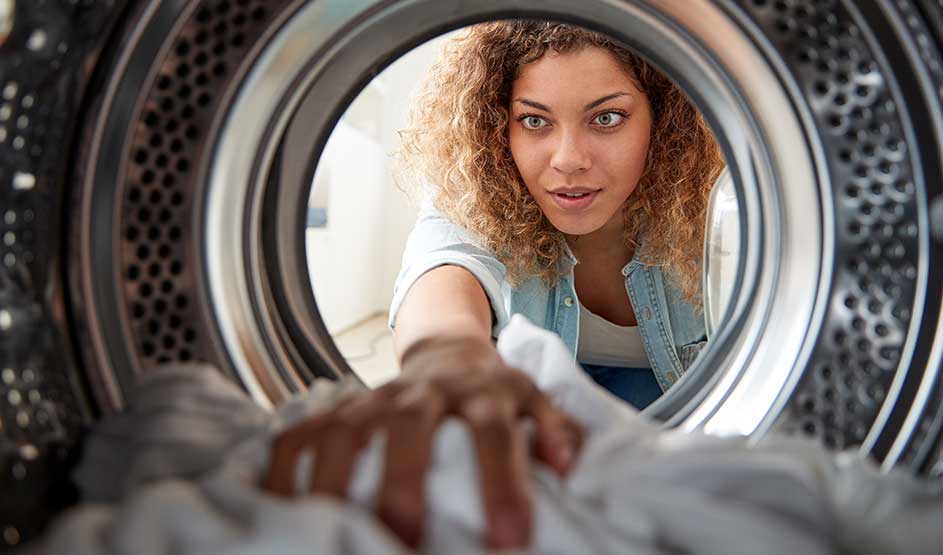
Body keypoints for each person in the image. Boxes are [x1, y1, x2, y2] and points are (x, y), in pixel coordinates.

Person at [264, 20, 724, 549]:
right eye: (534, 120)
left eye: (608, 117)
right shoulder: (482, 198)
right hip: (532, 400)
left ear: (661, 121)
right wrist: (447, 354)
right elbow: (442, 267)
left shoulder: (716, 211)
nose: (568, 158)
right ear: (499, 125)